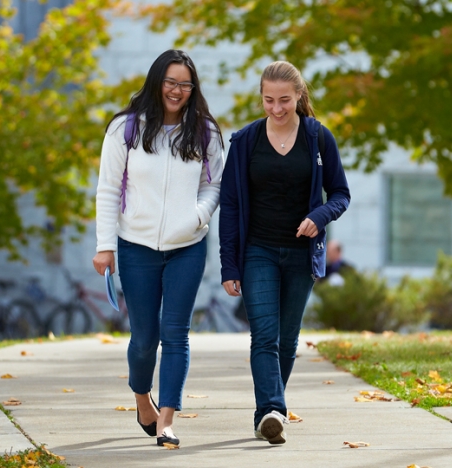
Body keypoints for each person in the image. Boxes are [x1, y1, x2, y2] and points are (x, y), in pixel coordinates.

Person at [92, 49, 224, 447]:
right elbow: (108, 190)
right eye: (170, 82)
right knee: (144, 337)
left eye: (185, 84)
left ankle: (167, 420)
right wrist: (105, 246)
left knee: (176, 333)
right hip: (136, 247)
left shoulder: (204, 132)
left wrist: (198, 217)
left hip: (188, 247)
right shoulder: (125, 129)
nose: (177, 90)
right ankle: (141, 398)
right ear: (157, 81)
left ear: (192, 88)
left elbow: (214, 184)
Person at [218, 61, 351, 444]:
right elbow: (230, 206)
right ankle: (274, 410)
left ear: (299, 96)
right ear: (261, 98)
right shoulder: (245, 142)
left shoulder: (318, 138)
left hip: (300, 253)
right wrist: (230, 265)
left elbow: (340, 193)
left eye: (285, 101)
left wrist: (319, 216)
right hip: (257, 249)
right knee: (263, 336)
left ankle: (268, 412)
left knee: (287, 340)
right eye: (268, 100)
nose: (276, 109)